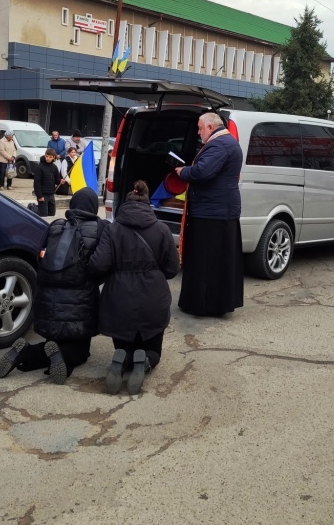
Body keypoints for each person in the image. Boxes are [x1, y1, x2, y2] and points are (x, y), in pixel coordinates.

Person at [0, 187, 107, 384]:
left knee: (54, 342)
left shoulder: (56, 225)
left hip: (46, 303)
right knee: (80, 351)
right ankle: (57, 358)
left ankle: (24, 352)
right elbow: (101, 265)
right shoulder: (100, 228)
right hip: (80, 304)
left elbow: (41, 259)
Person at [88, 180, 180, 394]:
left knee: (123, 343)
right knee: (154, 351)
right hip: (153, 302)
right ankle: (146, 359)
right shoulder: (163, 229)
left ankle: (123, 356)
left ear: (125, 205)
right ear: (149, 203)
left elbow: (98, 265)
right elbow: (173, 269)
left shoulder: (113, 229)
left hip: (118, 302)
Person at [174, 111, 244, 316]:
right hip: (217, 210)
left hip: (212, 213)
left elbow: (202, 172)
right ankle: (214, 303)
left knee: (207, 262)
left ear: (211, 127)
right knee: (217, 261)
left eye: (200, 128)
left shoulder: (220, 144)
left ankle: (205, 305)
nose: (198, 132)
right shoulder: (224, 142)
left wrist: (183, 171)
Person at [33, 148, 62, 217]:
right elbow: (37, 183)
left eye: (50, 157)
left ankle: (39, 208)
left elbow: (57, 179)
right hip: (43, 194)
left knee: (52, 213)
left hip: (51, 194)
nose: (48, 158)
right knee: (43, 214)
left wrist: (60, 181)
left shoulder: (54, 167)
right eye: (46, 156)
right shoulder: (39, 167)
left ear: (53, 157)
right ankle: (32, 208)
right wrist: (39, 196)